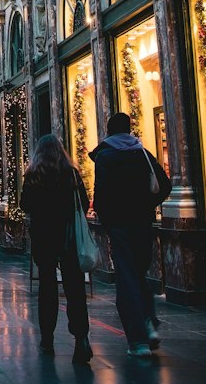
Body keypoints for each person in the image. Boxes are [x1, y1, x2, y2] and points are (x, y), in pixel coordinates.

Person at [91, 112, 171, 358]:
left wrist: (107, 220)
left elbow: (101, 194)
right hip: (143, 223)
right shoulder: (143, 154)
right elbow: (165, 186)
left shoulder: (105, 156)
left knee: (126, 279)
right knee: (138, 273)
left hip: (120, 225)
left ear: (109, 130)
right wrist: (148, 205)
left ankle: (138, 340)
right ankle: (148, 321)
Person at [20, 134, 93, 364]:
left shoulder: (33, 175)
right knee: (75, 289)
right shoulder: (70, 173)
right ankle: (81, 338)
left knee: (47, 287)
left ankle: (47, 339)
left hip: (44, 239)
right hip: (69, 238)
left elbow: (25, 205)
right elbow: (84, 200)